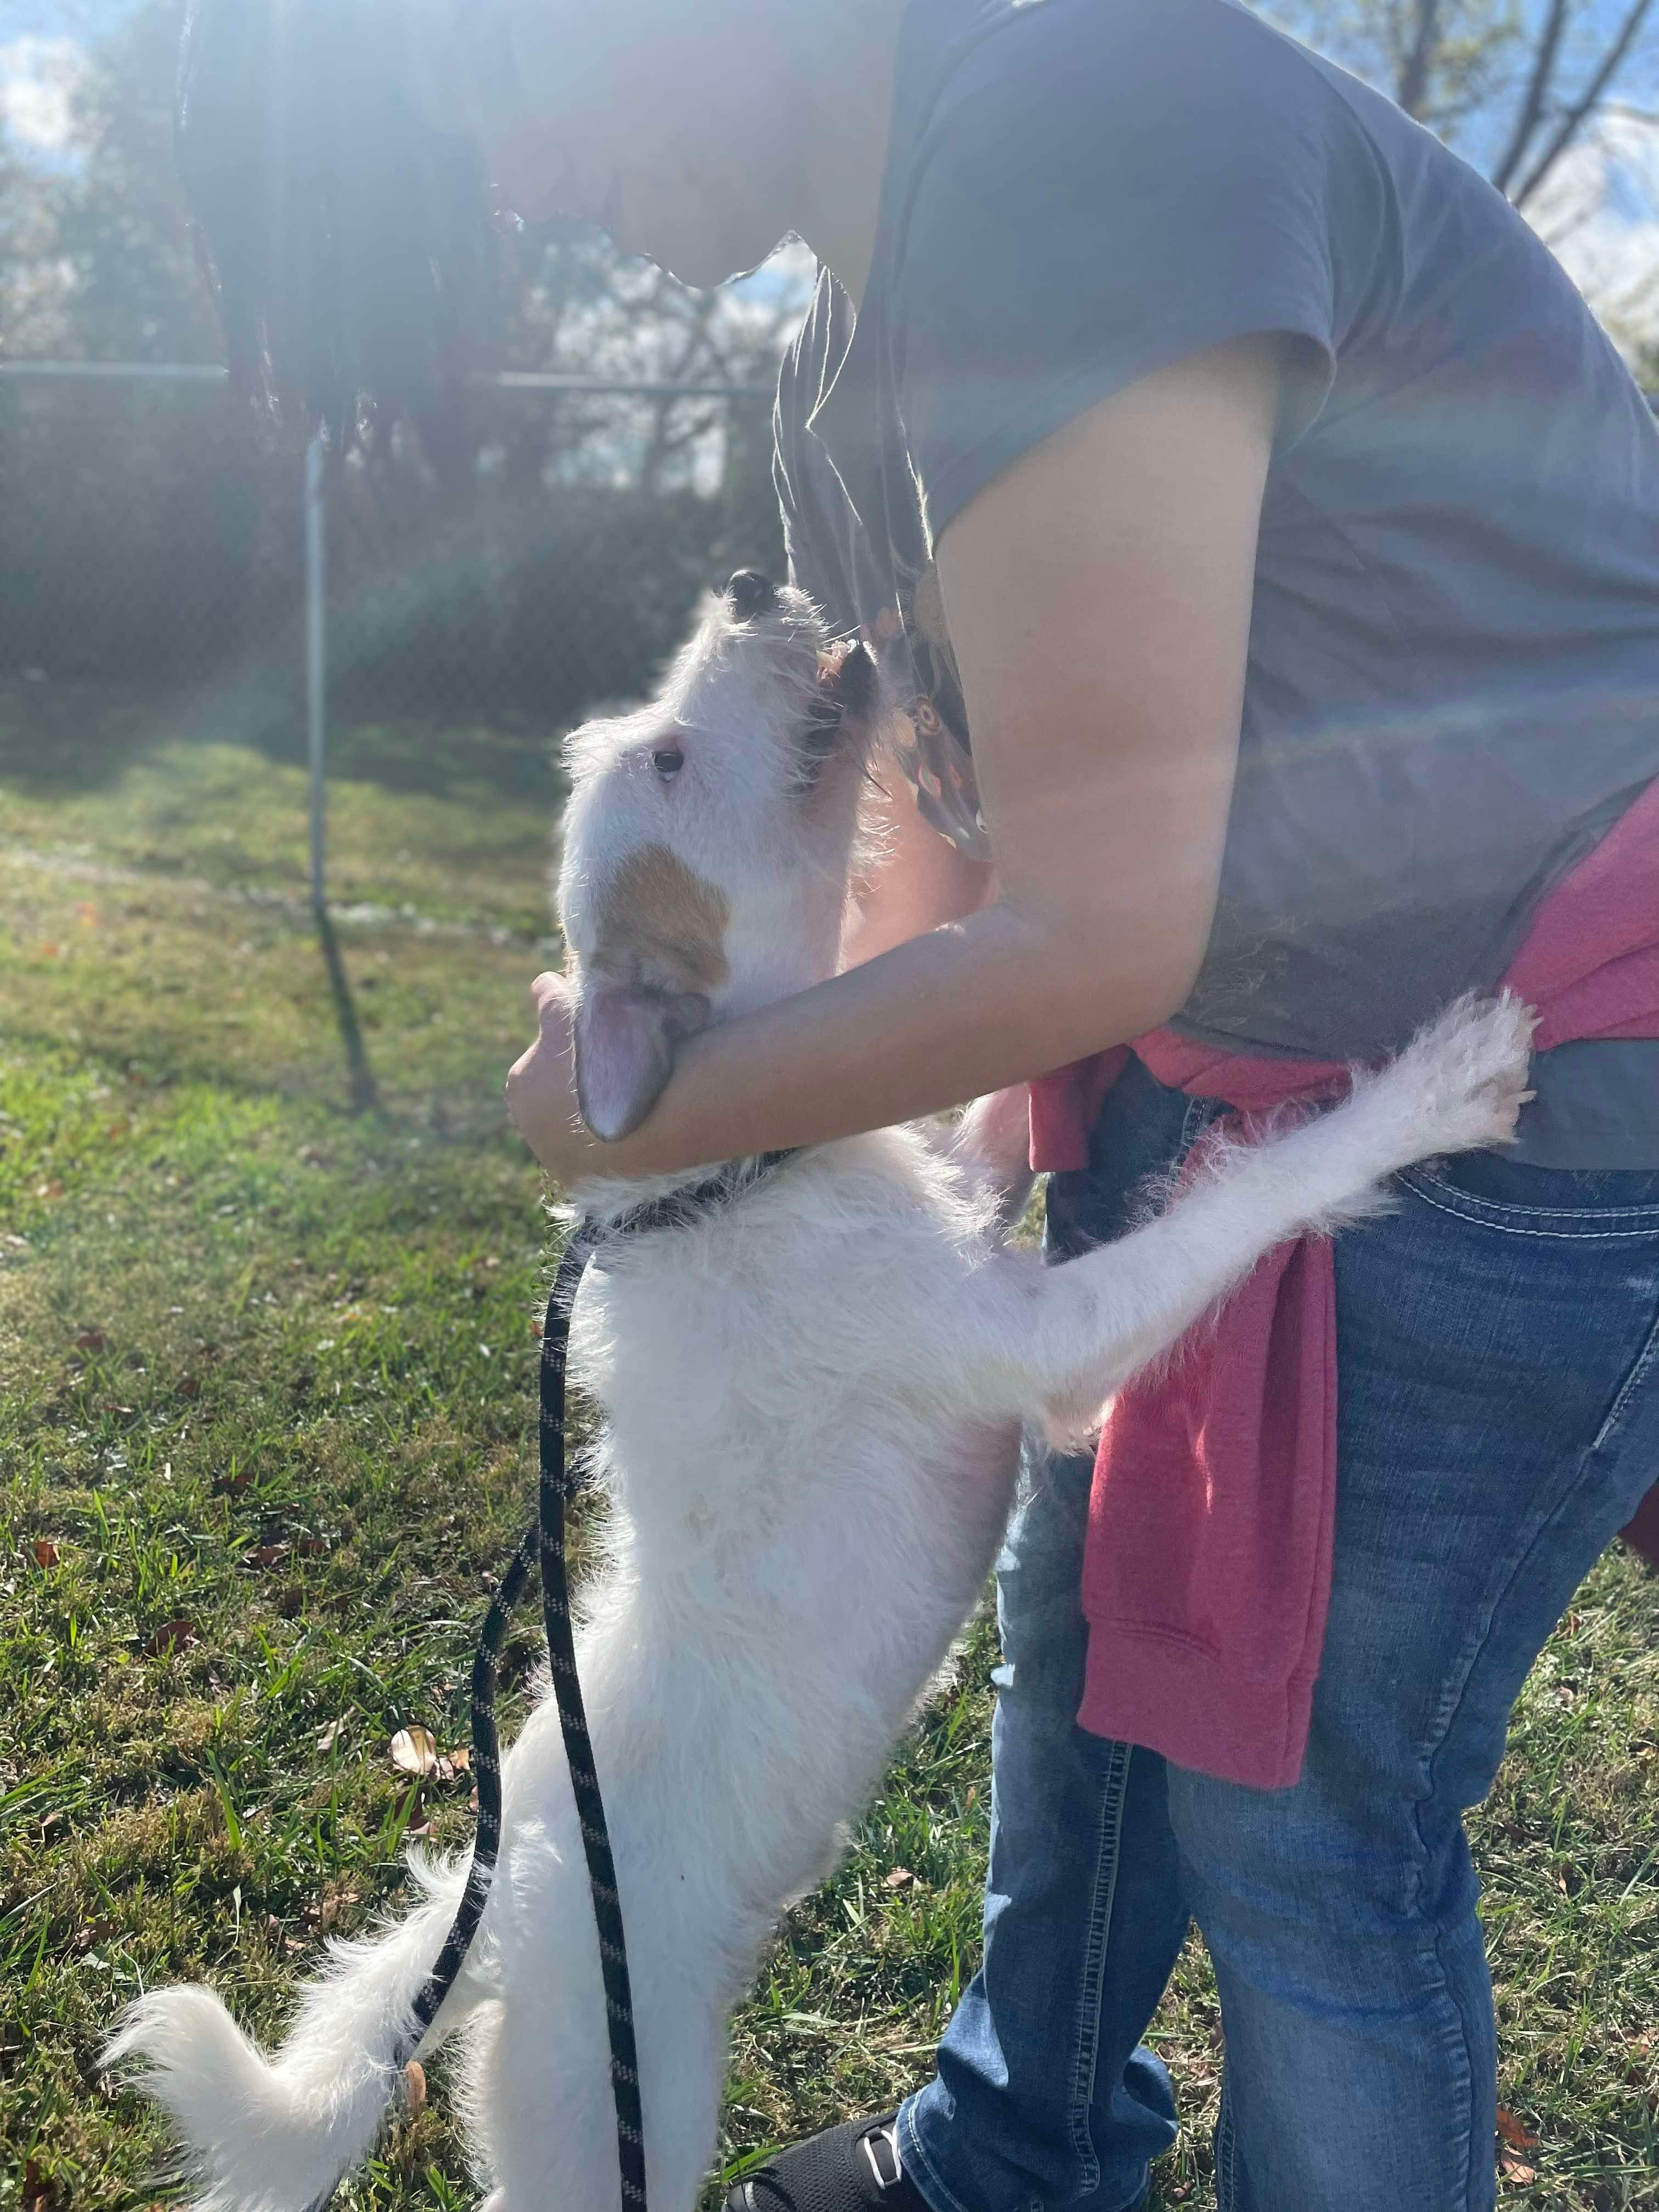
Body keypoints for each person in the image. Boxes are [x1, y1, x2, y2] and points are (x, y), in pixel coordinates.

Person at [177, 0, 1659, 2205]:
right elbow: (966, 890)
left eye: (506, 85)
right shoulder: (853, 368)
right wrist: (729, 1100)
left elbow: (1086, 935)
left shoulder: (1082, 134)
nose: (517, 183)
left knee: (1305, 1824)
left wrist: (645, 1120)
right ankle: (1014, 2151)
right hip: (1215, 1066)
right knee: (1080, 1684)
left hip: (1530, 1056)